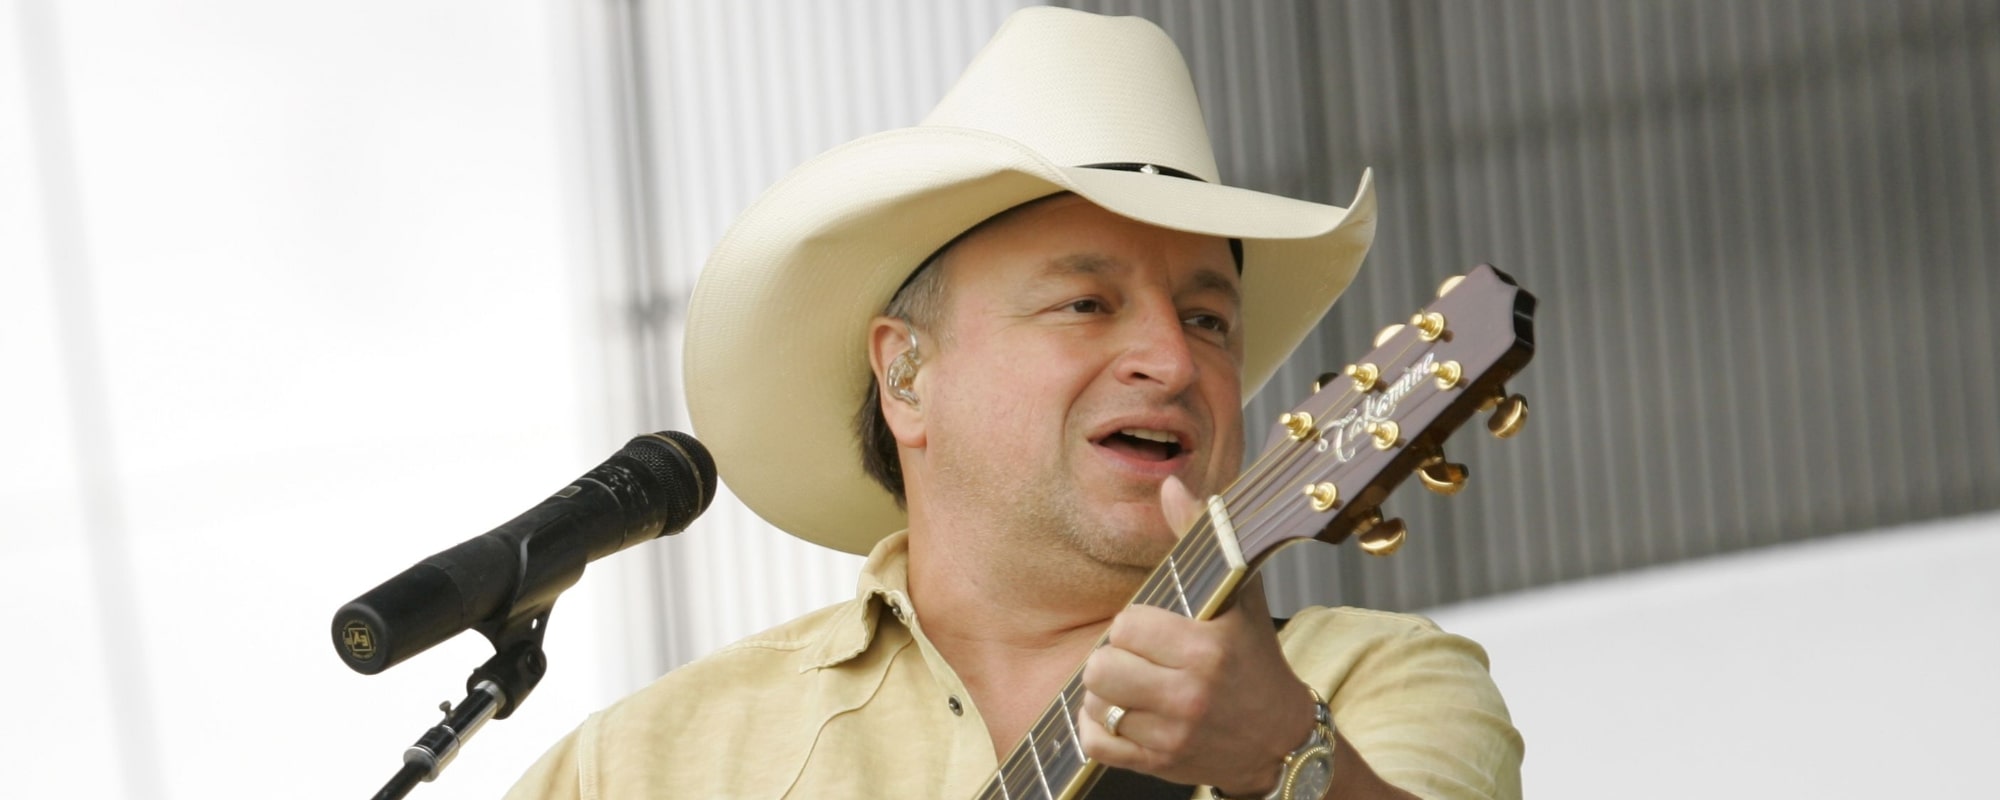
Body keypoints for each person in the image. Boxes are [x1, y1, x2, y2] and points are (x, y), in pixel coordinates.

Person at [508, 8, 1521, 799]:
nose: (1170, 358)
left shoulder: (1368, 680)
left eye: (1209, 320)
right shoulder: (643, 761)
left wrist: (1289, 759)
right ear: (905, 373)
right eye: (1085, 303)